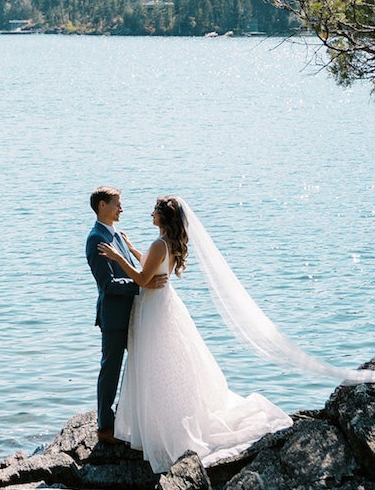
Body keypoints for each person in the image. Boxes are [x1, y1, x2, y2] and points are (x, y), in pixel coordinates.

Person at [99, 195, 291, 471]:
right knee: (167, 363)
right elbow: (153, 268)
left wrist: (119, 256)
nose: (150, 214)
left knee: (155, 365)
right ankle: (164, 419)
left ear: (163, 217)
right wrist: (131, 249)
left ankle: (160, 427)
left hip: (153, 309)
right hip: (164, 304)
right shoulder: (170, 244)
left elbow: (142, 279)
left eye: (154, 211)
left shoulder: (158, 244)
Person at [85, 186, 166, 445]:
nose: (122, 208)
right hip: (114, 316)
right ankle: (105, 426)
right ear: (102, 206)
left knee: (140, 366)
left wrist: (141, 272)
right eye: (117, 203)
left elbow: (131, 269)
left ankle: (137, 419)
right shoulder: (96, 238)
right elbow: (107, 285)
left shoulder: (116, 234)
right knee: (110, 369)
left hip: (133, 313)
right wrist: (143, 285)